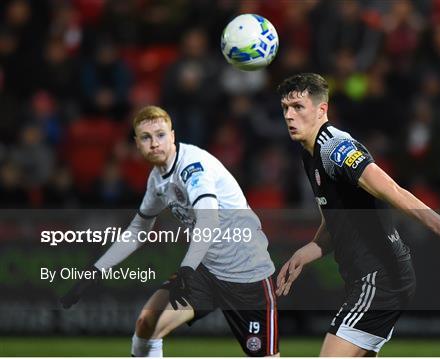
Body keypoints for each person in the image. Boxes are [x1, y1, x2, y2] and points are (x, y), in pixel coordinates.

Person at [275, 73, 440, 357]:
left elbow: (392, 190)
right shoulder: (309, 152)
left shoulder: (335, 148)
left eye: (298, 107)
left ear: (322, 109)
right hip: (375, 277)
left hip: (379, 278)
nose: (289, 115)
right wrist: (308, 251)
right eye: (285, 108)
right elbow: (335, 218)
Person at [59, 106, 279, 357]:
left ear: (173, 136)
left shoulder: (193, 166)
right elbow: (139, 230)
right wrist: (95, 270)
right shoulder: (157, 179)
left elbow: (208, 221)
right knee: (147, 323)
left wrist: (186, 267)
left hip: (246, 272)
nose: (154, 143)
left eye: (160, 135)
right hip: (205, 271)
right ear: (137, 144)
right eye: (146, 137)